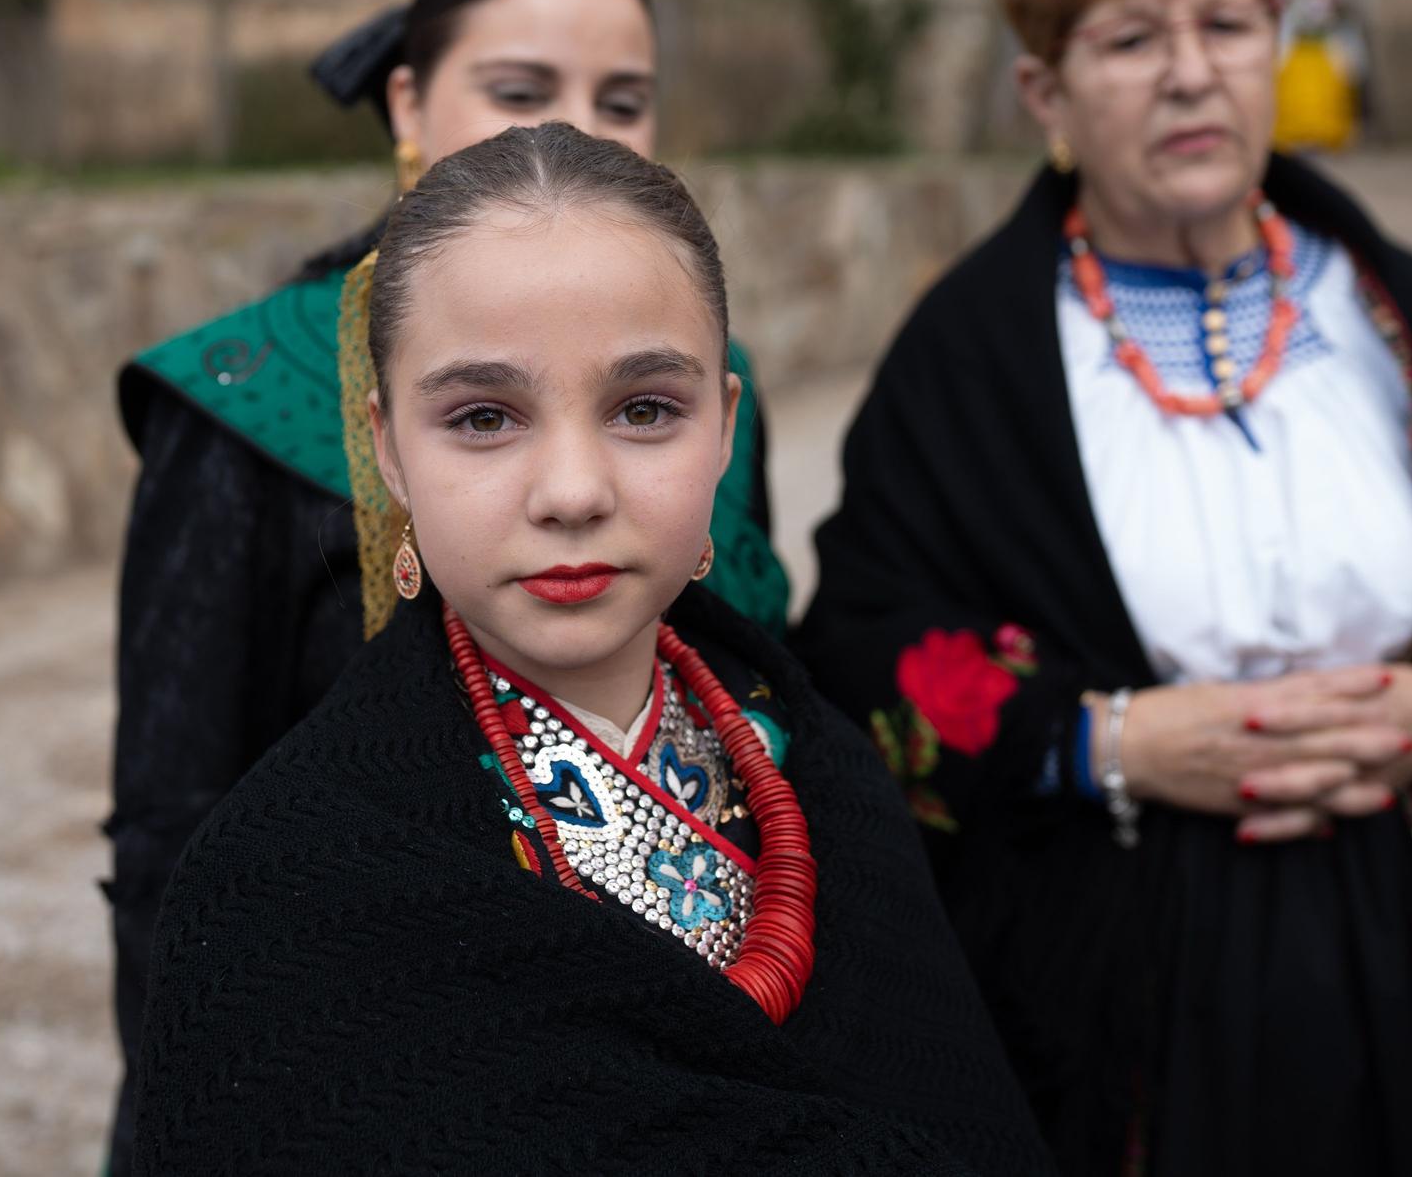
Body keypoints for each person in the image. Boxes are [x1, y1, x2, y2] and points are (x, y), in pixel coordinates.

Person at [794, 0, 1412, 1174]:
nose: (1191, 72)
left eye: (1227, 25)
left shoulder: (1396, 311)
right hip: (1123, 976)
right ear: (1047, 90)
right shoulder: (969, 357)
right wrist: (1109, 743)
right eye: (1132, 37)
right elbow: (861, 645)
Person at [125, 121, 1053, 1175]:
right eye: (482, 418)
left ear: (725, 427)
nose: (572, 490)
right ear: (384, 445)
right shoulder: (283, 887)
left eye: (644, 409)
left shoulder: (829, 777)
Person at [103, 0, 788, 1174]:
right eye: (519, 88)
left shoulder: (708, 383)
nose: (575, 128)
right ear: (410, 100)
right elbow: (171, 823)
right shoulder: (248, 397)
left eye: (621, 97)